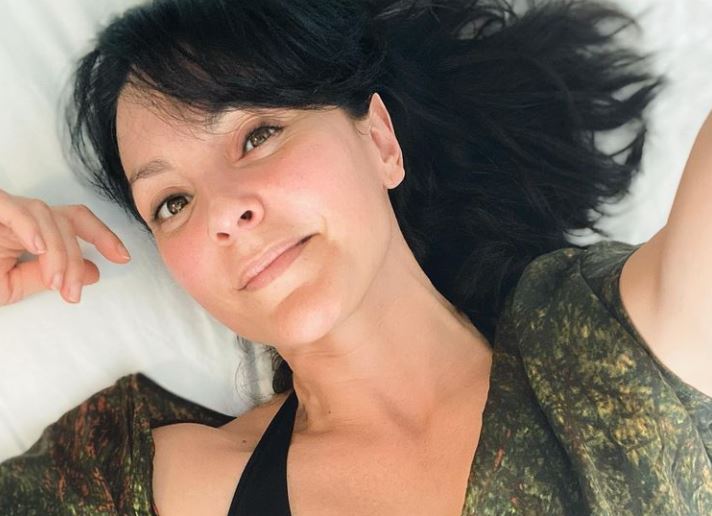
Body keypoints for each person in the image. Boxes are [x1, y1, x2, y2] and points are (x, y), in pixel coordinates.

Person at [1, 0, 711, 514]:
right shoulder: (166, 484)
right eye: (172, 203)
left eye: (258, 134)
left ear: (379, 142)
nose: (222, 213)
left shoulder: (609, 346)